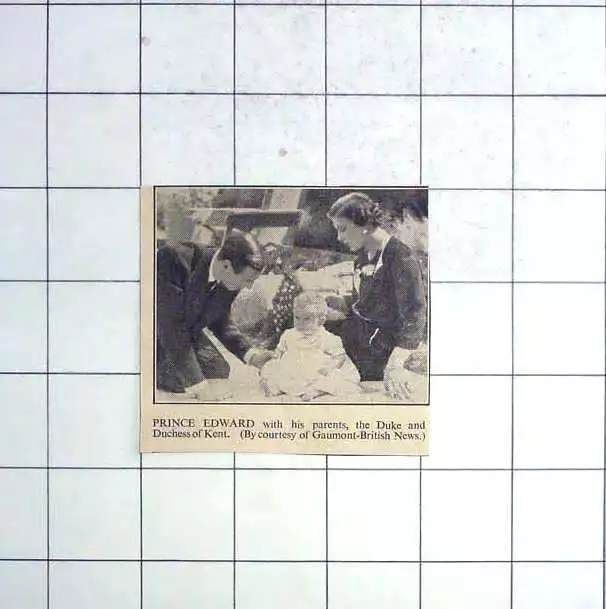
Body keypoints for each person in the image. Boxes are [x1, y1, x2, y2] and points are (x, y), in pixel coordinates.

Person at [325, 192, 427, 399]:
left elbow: (415, 314)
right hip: (359, 340)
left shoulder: (401, 257)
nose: (339, 238)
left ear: (364, 224)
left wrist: (397, 363)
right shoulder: (362, 257)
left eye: (342, 229)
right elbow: (366, 302)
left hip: (383, 349)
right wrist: (339, 304)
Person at [156, 230, 274, 398]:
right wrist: (199, 387)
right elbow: (171, 328)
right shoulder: (172, 259)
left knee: (219, 370)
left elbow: (220, 320)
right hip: (153, 333)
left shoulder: (230, 277)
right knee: (182, 381)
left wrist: (252, 355)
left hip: (186, 330)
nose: (248, 287)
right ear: (226, 265)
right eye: (247, 280)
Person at [260, 292, 360, 401]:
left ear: (321, 321)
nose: (300, 323)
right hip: (294, 368)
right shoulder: (289, 334)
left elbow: (340, 356)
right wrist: (276, 359)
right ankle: (274, 387)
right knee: (280, 374)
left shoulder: (326, 337)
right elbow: (279, 351)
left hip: (317, 369)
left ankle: (317, 390)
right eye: (297, 318)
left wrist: (330, 367)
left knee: (333, 379)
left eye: (306, 319)